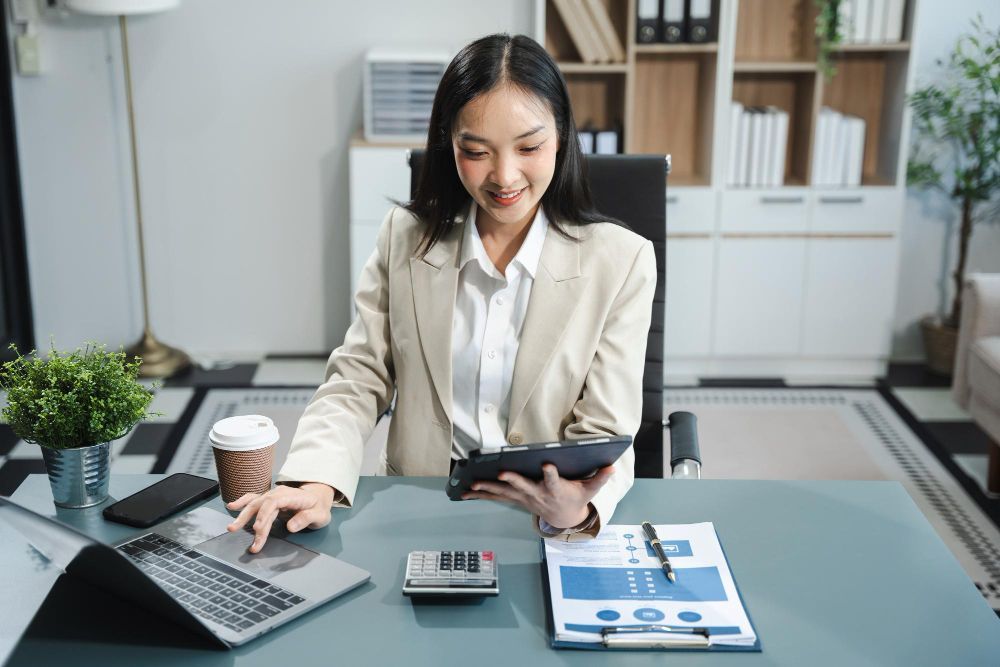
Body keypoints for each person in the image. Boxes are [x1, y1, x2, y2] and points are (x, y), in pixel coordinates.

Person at [227, 33, 656, 552]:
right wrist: (315, 477)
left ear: (562, 137)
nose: (504, 176)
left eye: (529, 147)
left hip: (540, 520)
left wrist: (578, 506)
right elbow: (358, 375)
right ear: (449, 143)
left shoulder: (622, 260)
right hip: (418, 507)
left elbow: (605, 429)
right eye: (476, 151)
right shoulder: (404, 238)